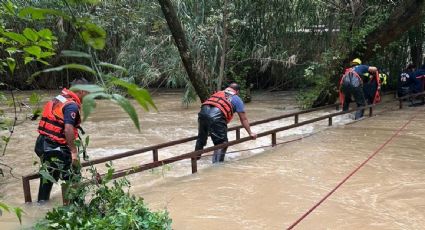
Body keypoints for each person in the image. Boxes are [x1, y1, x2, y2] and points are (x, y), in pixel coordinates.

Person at [35, 78, 90, 202]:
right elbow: (68, 129)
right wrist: (74, 152)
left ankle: (41, 205)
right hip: (57, 148)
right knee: (73, 177)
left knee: (48, 177)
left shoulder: (58, 99)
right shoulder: (72, 106)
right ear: (81, 91)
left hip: (43, 145)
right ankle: (76, 208)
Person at [195, 83, 257, 163]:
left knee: (201, 138)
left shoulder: (218, 93)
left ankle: (195, 159)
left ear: (228, 88)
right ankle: (216, 167)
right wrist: (250, 133)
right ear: (237, 91)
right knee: (221, 143)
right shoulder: (237, 99)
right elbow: (243, 119)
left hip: (202, 113)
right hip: (216, 117)